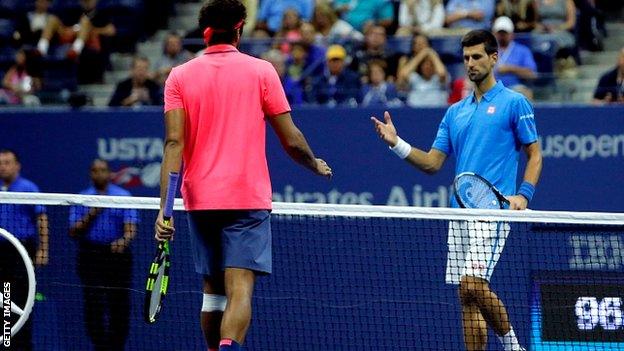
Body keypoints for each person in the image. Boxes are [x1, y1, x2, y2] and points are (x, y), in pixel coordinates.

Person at [154, 2, 332, 351]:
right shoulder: (262, 71)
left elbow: (174, 143)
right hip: (245, 198)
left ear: (206, 31)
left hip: (200, 199)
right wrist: (313, 164)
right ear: (239, 30)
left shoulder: (179, 76)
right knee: (240, 288)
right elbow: (291, 139)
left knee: (213, 291)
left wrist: (165, 209)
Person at [371, 30, 542, 351]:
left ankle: (513, 346)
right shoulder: (455, 112)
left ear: (494, 58)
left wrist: (524, 194)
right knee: (466, 297)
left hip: (493, 211)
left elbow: (535, 154)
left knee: (472, 284)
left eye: (477, 56)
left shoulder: (514, 103)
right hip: (458, 211)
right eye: (465, 58)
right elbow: (433, 163)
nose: (470, 63)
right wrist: (397, 144)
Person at [68, 159, 137, 351]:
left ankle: (116, 347)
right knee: (93, 304)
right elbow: (73, 232)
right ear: (91, 174)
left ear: (110, 173)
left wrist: (124, 240)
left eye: (103, 170)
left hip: (117, 257)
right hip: (91, 256)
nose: (99, 174)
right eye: (95, 171)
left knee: (119, 306)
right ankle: (100, 346)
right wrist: (93, 212)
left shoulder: (123, 196)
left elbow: (131, 229)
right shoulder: (82, 198)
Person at [0, 149, 49, 351]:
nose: (3, 166)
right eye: (0, 162)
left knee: (23, 301)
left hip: (22, 253)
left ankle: (22, 346)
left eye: (7, 162)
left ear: (17, 165)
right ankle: (7, 343)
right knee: (5, 299)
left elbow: (41, 219)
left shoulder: (28, 188)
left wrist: (43, 249)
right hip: (1, 254)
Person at [492, 16, 537, 99]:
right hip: (492, 89)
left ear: (512, 34)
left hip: (515, 89)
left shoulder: (522, 50)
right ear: (494, 34)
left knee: (524, 93)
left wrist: (510, 69)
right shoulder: (488, 50)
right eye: (500, 33)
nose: (502, 36)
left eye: (505, 33)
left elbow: (532, 74)